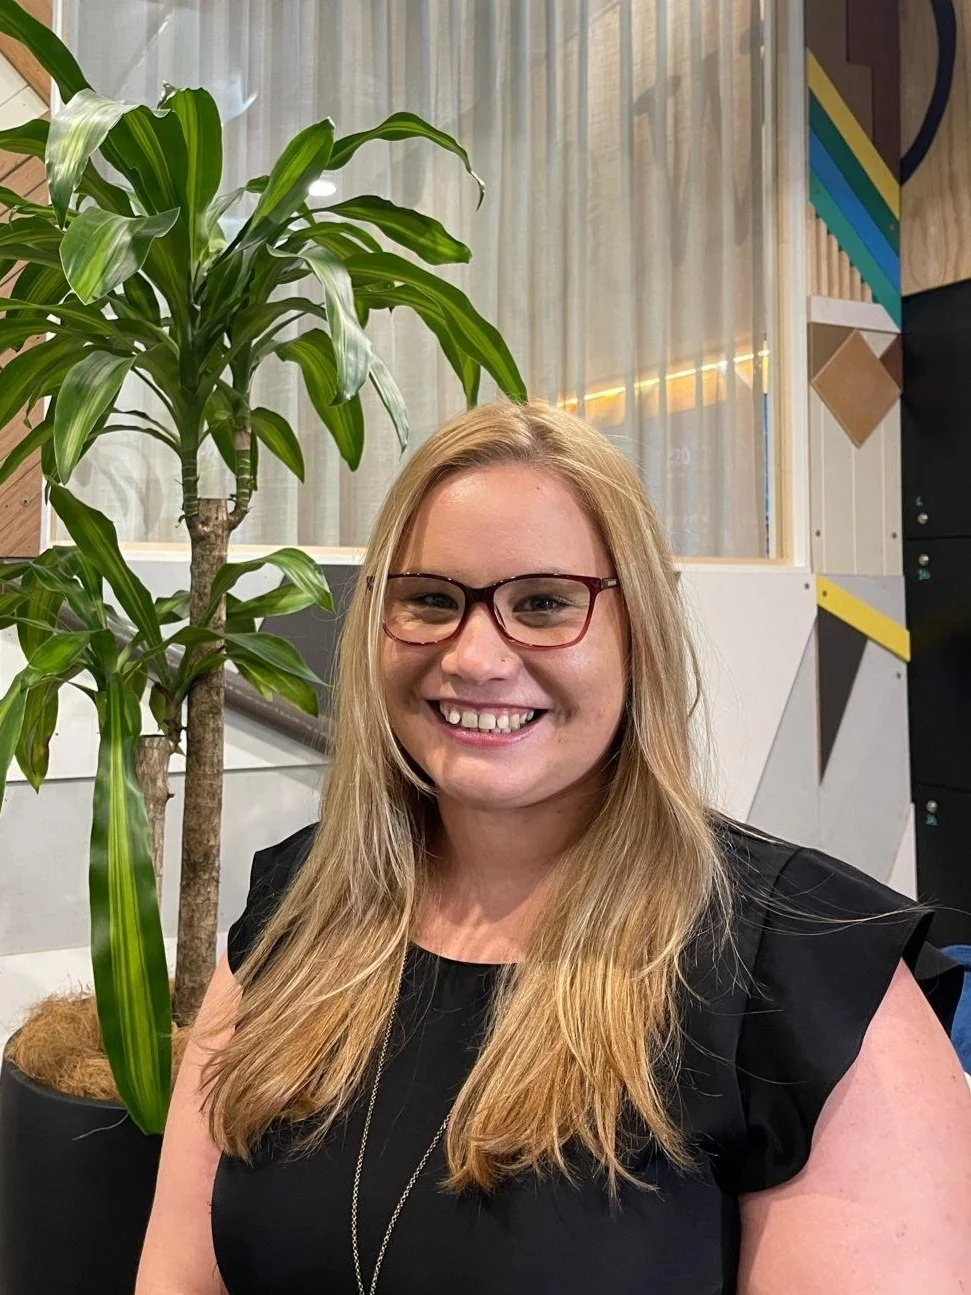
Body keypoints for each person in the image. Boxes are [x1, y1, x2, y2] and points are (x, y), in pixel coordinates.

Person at [135, 401, 971, 1295]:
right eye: (430, 600)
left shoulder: (801, 971)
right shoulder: (292, 914)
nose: (476, 657)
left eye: (542, 604)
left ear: (636, 630)